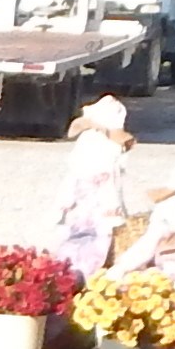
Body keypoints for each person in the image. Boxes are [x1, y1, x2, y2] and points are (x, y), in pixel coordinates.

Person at [52, 96, 141, 275]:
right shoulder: (97, 141)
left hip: (89, 197)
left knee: (81, 235)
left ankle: (74, 271)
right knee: (94, 235)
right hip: (94, 197)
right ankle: (83, 271)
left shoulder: (92, 141)